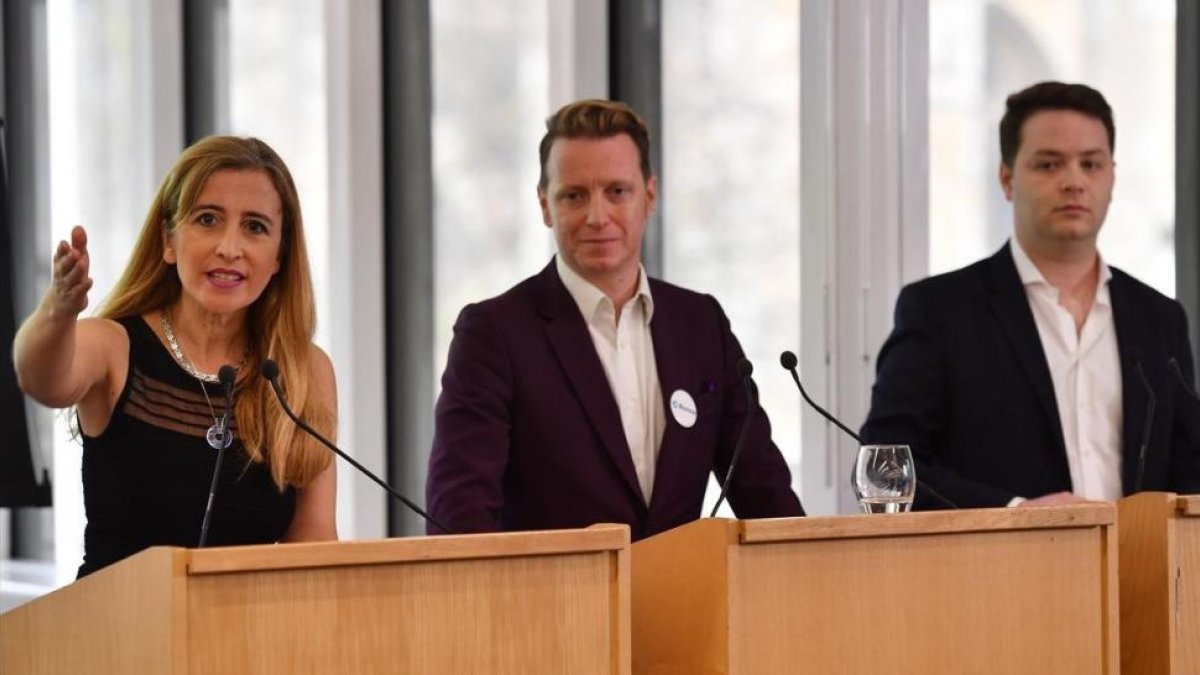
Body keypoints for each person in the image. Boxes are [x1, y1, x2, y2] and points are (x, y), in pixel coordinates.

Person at [426, 99, 803, 540]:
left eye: (616, 192)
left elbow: (766, 495)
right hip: (554, 606)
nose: (596, 216)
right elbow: (459, 516)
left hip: (685, 606)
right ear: (545, 206)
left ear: (650, 196)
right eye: (574, 195)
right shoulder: (494, 335)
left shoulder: (701, 325)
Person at [862, 82, 1200, 509]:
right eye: (1049, 165)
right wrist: (1017, 514)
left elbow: (1190, 470)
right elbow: (886, 471)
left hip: (1138, 572)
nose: (1074, 182)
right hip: (1001, 568)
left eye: (1091, 164)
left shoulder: (1159, 318)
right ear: (1007, 178)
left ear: (1112, 177)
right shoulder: (940, 311)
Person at [14, 136, 338, 576]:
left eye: (255, 227)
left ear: (279, 255)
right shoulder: (116, 347)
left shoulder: (302, 373)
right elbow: (41, 379)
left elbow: (313, 546)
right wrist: (58, 311)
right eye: (208, 219)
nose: (229, 247)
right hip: (113, 635)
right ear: (169, 240)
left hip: (248, 639)